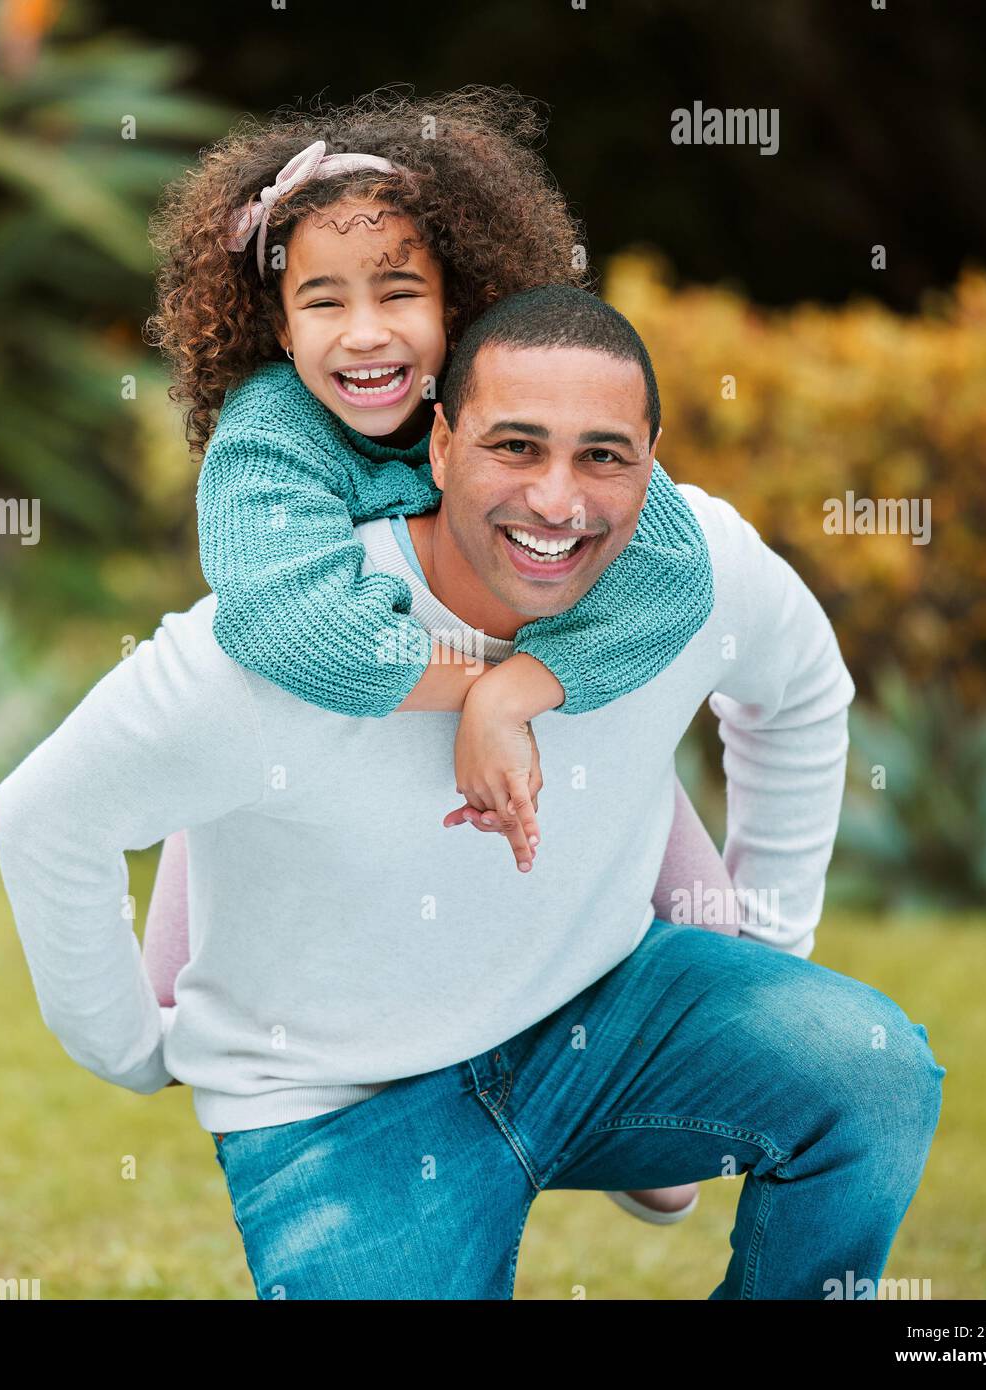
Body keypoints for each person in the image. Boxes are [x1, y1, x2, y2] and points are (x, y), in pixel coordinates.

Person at [0, 283, 946, 1299]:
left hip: (599, 1022)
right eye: (516, 446)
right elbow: (48, 814)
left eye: (602, 455)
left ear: (651, 457)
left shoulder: (689, 569)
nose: (556, 501)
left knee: (868, 1066)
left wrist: (763, 956)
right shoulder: (289, 641)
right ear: (440, 443)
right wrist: (132, 1051)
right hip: (339, 1107)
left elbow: (801, 693)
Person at [144, 87, 744, 1222]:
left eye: (399, 293)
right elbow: (295, 630)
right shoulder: (269, 433)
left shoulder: (501, 397)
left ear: (459, 300)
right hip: (309, 727)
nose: (364, 333)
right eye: (323, 300)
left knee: (716, 967)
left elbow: (672, 570)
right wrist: (475, 694)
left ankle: (662, 1087)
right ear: (276, 324)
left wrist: (519, 692)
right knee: (166, 1001)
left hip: (565, 709)